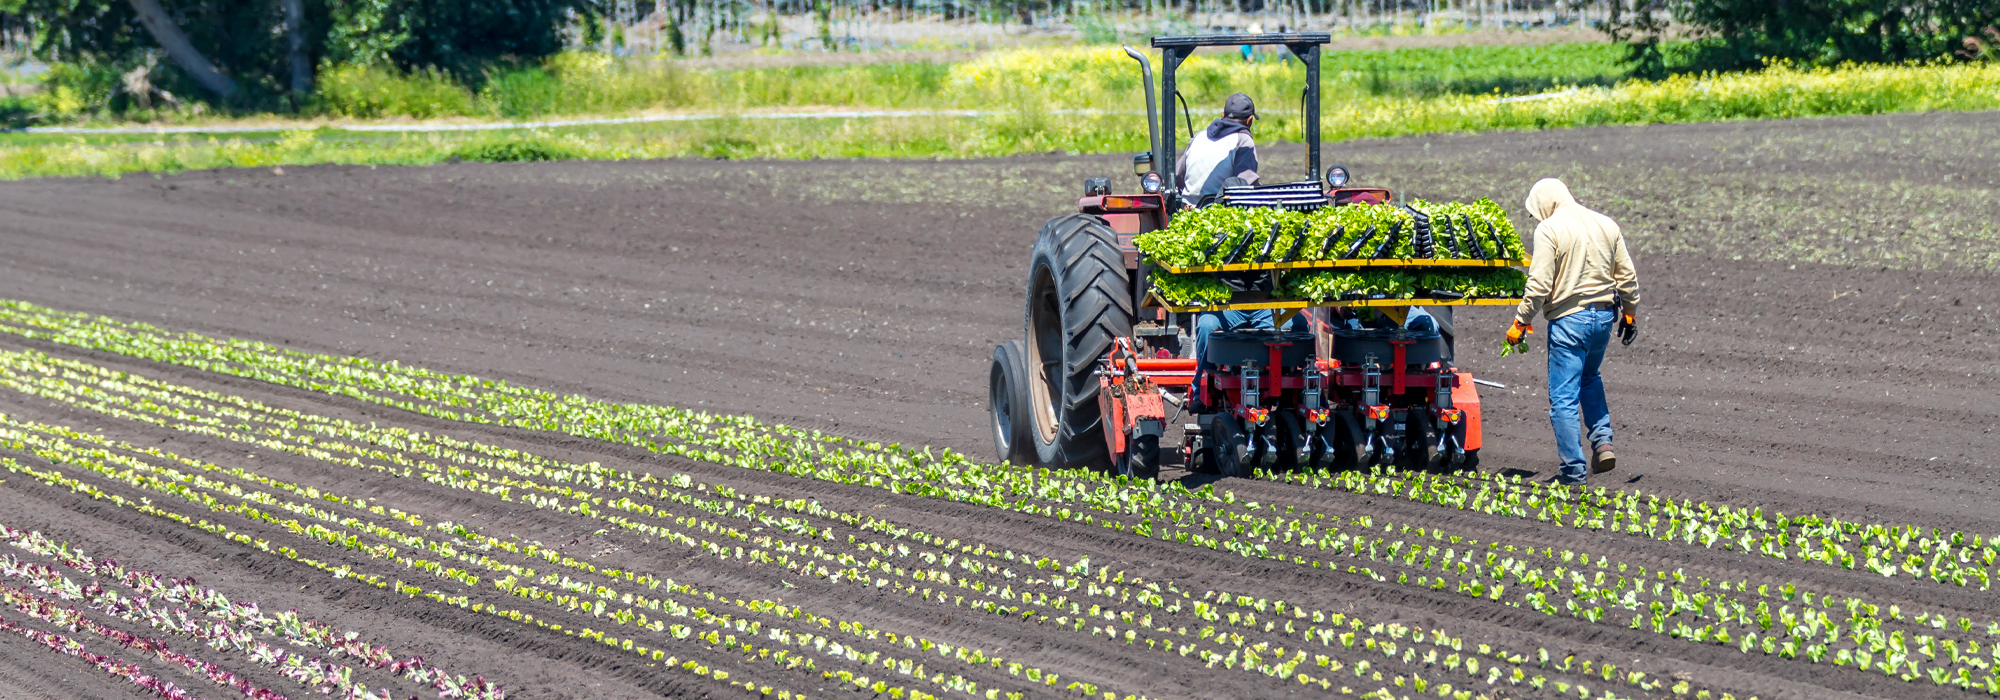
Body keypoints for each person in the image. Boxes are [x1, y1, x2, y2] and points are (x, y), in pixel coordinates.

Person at [1506, 178, 1640, 486]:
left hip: (1569, 321)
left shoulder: (1549, 230)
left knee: (1563, 398)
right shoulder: (1606, 224)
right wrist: (1630, 314)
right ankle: (1603, 444)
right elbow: (1628, 277)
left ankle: (1573, 470)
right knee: (1589, 377)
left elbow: (1539, 285)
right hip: (1605, 317)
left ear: (1545, 203)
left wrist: (1520, 322)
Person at [1175, 93, 1260, 205]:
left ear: (1222, 115)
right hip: (1217, 212)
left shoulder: (1199, 136)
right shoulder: (1243, 140)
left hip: (1186, 209)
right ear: (1250, 119)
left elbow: (1178, 175)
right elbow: (1246, 184)